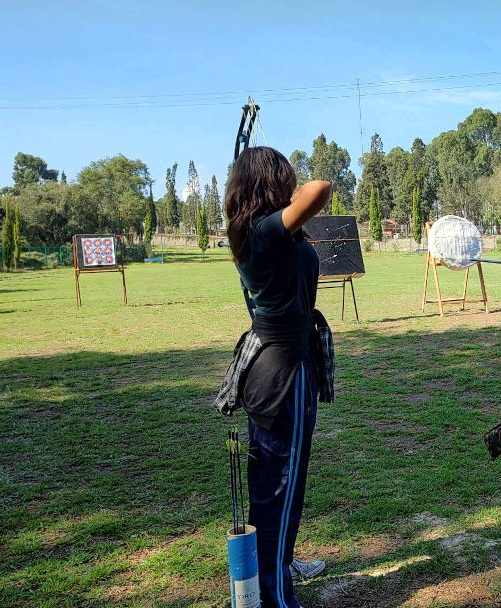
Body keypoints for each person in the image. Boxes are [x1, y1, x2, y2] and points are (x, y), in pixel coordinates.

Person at [221, 146, 333, 607]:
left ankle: (281, 563)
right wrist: (292, 189)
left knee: (282, 486)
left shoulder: (265, 234)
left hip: (282, 365)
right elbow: (320, 190)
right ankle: (275, 597)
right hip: (283, 372)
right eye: (283, 176)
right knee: (278, 489)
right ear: (270, 181)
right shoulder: (264, 231)